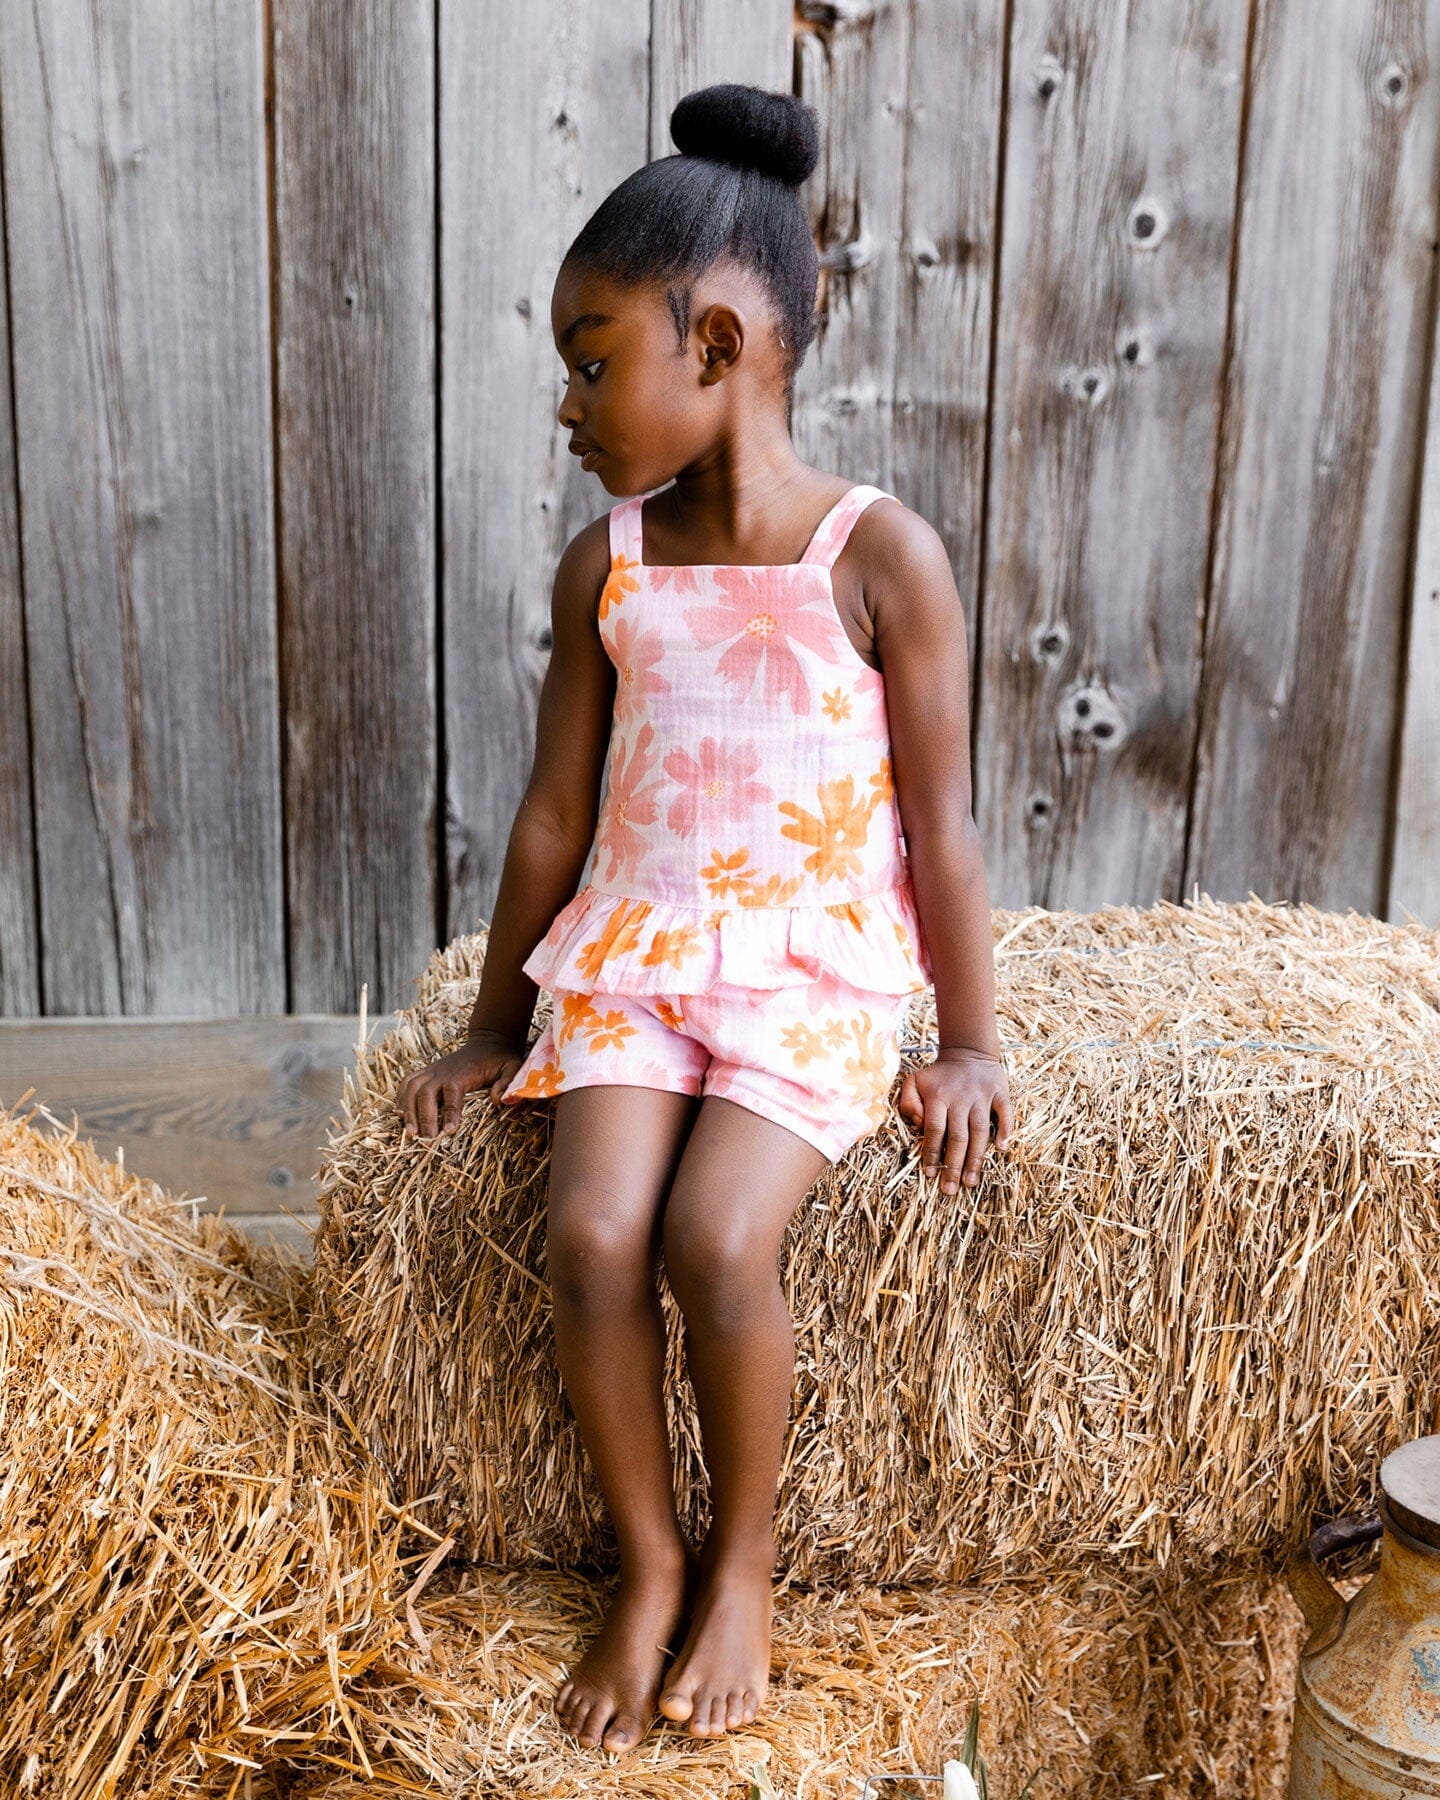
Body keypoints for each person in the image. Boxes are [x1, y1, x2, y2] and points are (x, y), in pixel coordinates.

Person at [398, 81, 1012, 1756]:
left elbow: (942, 829)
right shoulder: (606, 566)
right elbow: (552, 813)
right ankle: (650, 1562)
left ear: (724, 343)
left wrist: (967, 1040)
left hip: (811, 964)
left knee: (716, 1237)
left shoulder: (881, 557)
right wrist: (492, 1029)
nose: (573, 406)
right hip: (640, 953)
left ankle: (745, 1564)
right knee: (594, 1235)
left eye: (595, 361)